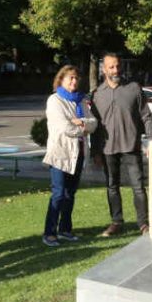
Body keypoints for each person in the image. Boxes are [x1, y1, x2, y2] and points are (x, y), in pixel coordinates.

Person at [91, 54, 152, 236]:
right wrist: (94, 151)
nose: (116, 70)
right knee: (112, 187)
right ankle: (116, 222)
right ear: (104, 70)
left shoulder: (133, 88)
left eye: (117, 66)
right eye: (111, 67)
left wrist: (150, 140)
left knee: (138, 187)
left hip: (131, 146)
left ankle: (143, 224)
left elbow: (146, 116)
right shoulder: (96, 94)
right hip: (107, 149)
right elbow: (94, 125)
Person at [42, 65, 97, 247]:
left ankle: (65, 229)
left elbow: (94, 123)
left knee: (70, 194)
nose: (74, 81)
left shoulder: (81, 101)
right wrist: (83, 128)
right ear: (61, 79)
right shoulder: (55, 100)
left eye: (76, 78)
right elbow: (64, 127)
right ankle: (49, 232)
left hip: (78, 153)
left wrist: (80, 122)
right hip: (60, 153)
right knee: (58, 193)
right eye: (70, 78)